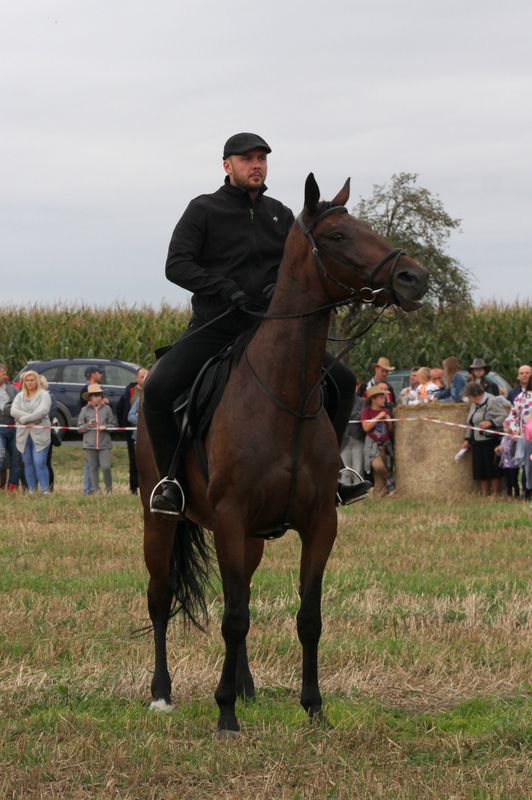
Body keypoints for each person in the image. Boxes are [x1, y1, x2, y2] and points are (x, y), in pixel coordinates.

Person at [143, 131, 362, 515]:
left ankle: (338, 471)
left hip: (270, 330)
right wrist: (224, 288)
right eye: (247, 159)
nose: (256, 164)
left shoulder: (279, 214)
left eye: (261, 158)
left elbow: (296, 269)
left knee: (343, 380)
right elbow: (176, 265)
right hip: (217, 326)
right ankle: (171, 481)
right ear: (228, 166)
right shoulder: (204, 209)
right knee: (158, 387)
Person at [455, 382, 507, 496]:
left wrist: (491, 422)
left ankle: (495, 494)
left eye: (469, 396)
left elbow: (504, 415)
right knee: (481, 469)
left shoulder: (492, 401)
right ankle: (484, 494)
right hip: (477, 441)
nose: (468, 399)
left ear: (476, 395)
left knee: (492, 469)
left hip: (490, 440)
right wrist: (467, 439)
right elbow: (471, 422)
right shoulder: (474, 404)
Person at [10, 370, 52, 494]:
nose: (29, 383)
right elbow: (13, 411)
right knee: (27, 462)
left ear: (37, 381)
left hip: (40, 435)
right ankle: (32, 490)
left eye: (32, 380)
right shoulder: (19, 396)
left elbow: (43, 411)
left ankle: (45, 490)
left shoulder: (44, 395)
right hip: (23, 435)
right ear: (24, 382)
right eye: (27, 380)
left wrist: (24, 419)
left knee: (39, 462)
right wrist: (32, 418)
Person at [78, 384, 115, 494]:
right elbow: (79, 428)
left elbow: (114, 425)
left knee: (106, 466)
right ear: (90, 397)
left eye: (100, 395)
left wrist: (106, 427)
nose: (98, 397)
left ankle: (109, 490)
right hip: (90, 444)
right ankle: (96, 490)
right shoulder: (84, 410)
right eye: (95, 395)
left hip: (105, 444)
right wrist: (88, 425)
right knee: (93, 468)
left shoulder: (107, 409)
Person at [116, 366, 149, 493]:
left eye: (147, 376)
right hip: (133, 432)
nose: (145, 379)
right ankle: (133, 487)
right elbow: (121, 410)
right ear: (136, 378)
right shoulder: (130, 391)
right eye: (142, 377)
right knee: (134, 461)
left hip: (148, 434)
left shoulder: (151, 391)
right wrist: (122, 425)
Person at [360, 384, 394, 497]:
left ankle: (378, 496)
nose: (384, 399)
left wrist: (389, 421)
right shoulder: (367, 412)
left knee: (379, 477)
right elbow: (365, 427)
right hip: (372, 446)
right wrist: (378, 417)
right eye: (381, 397)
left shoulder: (386, 411)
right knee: (378, 467)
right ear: (374, 399)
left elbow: (390, 430)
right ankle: (390, 482)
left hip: (385, 445)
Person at [503, 372, 532, 500]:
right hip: (526, 437)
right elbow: (512, 417)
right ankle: (527, 493)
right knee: (528, 465)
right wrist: (515, 431)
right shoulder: (521, 397)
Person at [79, 366, 105, 495]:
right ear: (93, 374)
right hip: (90, 434)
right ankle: (87, 488)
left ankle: (92, 488)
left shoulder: (97, 390)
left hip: (100, 437)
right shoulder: (86, 389)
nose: (101, 375)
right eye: (99, 372)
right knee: (90, 463)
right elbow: (82, 412)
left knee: (95, 464)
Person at [0, 364, 21, 491]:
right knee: (1, 455)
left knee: (16, 458)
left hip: (13, 426)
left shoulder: (12, 389)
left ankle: (13, 485)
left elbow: (18, 403)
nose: (3, 374)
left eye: (3, 372)